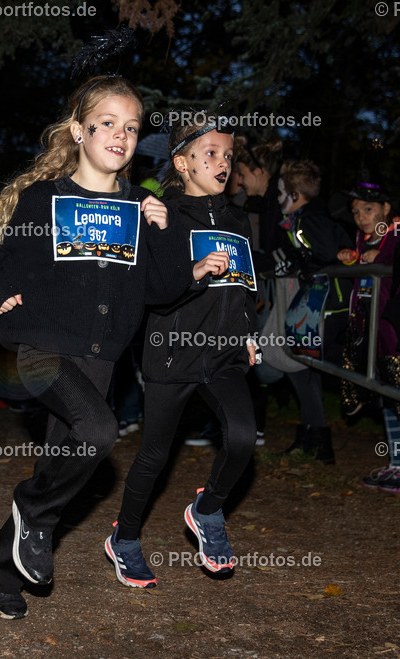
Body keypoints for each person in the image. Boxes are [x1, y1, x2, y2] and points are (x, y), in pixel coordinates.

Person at [0, 75, 194, 620]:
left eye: (131, 127)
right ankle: (32, 513)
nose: (120, 135)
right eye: (106, 123)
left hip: (101, 358)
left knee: (62, 464)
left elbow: (164, 290)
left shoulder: (141, 205)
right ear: (78, 131)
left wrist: (162, 233)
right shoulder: (42, 199)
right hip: (41, 350)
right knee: (98, 430)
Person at [106, 114, 259, 588]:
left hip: (225, 353)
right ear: (182, 163)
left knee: (242, 437)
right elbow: (151, 291)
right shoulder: (164, 213)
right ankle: (124, 540)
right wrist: (193, 272)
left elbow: (246, 288)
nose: (222, 163)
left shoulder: (237, 219)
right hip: (173, 351)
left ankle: (207, 510)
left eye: (228, 155)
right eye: (210, 154)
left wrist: (249, 332)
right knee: (154, 456)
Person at [337, 174, 400, 493]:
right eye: (356, 211)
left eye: (368, 209)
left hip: (398, 333)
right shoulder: (362, 240)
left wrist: (385, 259)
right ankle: (397, 462)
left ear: (386, 208)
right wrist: (349, 258)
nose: (361, 217)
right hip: (373, 335)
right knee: (387, 398)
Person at [273, 159, 354, 463]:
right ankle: (313, 436)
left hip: (327, 305)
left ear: (295, 194)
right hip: (317, 302)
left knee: (308, 363)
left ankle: (317, 438)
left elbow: (329, 253)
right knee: (301, 364)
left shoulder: (311, 219)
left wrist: (305, 264)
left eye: (281, 192)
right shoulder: (302, 218)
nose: (277, 198)